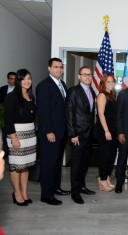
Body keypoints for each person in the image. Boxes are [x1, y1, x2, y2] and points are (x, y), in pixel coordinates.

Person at [36, 57, 70, 206]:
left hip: (61, 132)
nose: (59, 69)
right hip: (50, 133)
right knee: (48, 164)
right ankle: (46, 195)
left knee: (56, 163)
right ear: (49, 68)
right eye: (56, 67)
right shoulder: (44, 86)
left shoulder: (62, 84)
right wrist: (49, 131)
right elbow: (43, 112)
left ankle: (56, 188)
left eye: (61, 67)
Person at [4, 69, 36, 206]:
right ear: (18, 80)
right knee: (16, 166)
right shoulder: (11, 97)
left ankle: (24, 192)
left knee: (25, 166)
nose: (27, 81)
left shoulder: (31, 96)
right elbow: (8, 119)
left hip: (30, 134)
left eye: (29, 78)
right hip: (16, 135)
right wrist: (14, 138)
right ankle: (16, 192)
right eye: (23, 79)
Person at [65, 66, 96, 204]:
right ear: (79, 77)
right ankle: (75, 192)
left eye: (89, 75)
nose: (88, 77)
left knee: (84, 163)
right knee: (76, 165)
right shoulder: (73, 91)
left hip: (89, 134)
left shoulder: (92, 92)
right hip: (77, 134)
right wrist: (73, 134)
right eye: (85, 75)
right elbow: (69, 113)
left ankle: (82, 186)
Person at [95, 74, 118, 192]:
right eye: (108, 82)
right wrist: (106, 130)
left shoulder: (112, 95)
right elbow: (100, 114)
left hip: (113, 130)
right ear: (103, 83)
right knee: (104, 156)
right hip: (105, 131)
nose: (110, 83)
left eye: (112, 81)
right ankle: (102, 180)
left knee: (111, 155)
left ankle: (106, 178)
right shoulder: (102, 95)